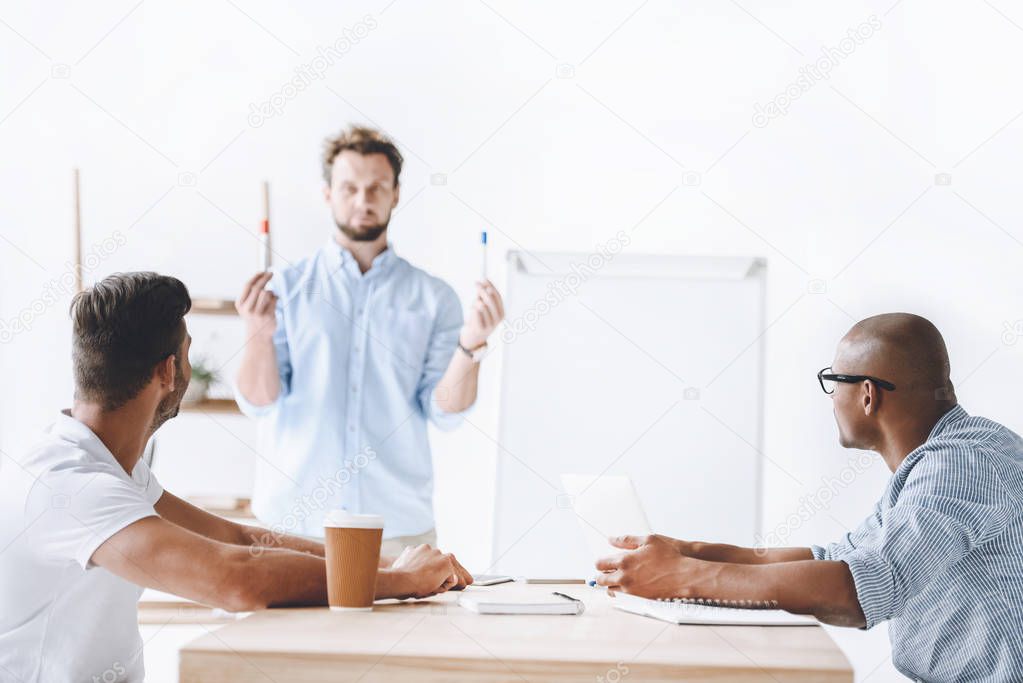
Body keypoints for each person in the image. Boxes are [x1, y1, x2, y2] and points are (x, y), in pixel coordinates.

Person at [0, 273, 473, 682]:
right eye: (188, 352)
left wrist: (395, 566)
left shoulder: (109, 467)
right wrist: (401, 580)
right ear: (169, 371)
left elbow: (240, 537)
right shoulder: (70, 485)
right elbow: (234, 578)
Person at [594, 313, 1023, 681]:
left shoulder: (963, 465)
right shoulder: (941, 461)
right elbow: (835, 558)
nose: (831, 399)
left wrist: (681, 578)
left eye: (833, 382)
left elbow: (861, 588)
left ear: (868, 394)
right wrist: (688, 553)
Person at [234, 125, 504, 557]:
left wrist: (470, 346)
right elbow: (260, 402)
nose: (363, 200)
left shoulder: (434, 298)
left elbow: (444, 410)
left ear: (396, 194)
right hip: (293, 529)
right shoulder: (283, 288)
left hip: (396, 533)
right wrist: (257, 333)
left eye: (377, 187)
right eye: (350, 188)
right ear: (328, 194)